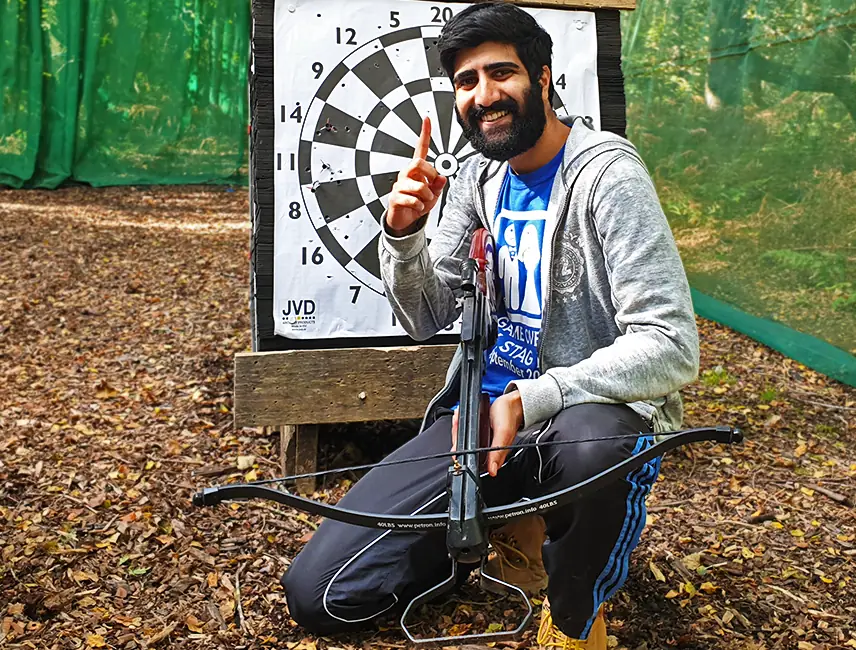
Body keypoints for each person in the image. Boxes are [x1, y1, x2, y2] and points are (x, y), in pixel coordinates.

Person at [280, 3, 699, 648]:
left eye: (501, 73)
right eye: (467, 82)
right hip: (477, 422)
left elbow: (670, 345)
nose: (484, 94)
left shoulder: (607, 176)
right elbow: (425, 319)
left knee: (596, 446)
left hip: (578, 417)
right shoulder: (479, 176)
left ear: (544, 76)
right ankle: (499, 532)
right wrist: (403, 235)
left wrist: (538, 396)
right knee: (322, 597)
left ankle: (573, 613)